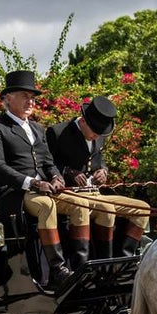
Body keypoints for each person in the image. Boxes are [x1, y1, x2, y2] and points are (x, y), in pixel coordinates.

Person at [0, 70, 95, 289]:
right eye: (25, 95)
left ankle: (82, 267)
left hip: (44, 190)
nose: (30, 101)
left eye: (32, 97)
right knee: (46, 205)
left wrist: (56, 177)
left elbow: (47, 162)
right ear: (8, 98)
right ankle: (57, 269)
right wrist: (32, 183)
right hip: (14, 194)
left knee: (80, 204)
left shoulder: (37, 128)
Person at [46, 95, 150, 258]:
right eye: (94, 133)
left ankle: (123, 260)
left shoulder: (99, 134)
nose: (97, 137)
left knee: (142, 208)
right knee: (107, 209)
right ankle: (101, 264)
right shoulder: (57, 133)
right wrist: (68, 172)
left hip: (95, 194)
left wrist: (103, 171)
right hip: (69, 195)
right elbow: (47, 165)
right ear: (83, 122)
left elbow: (99, 161)